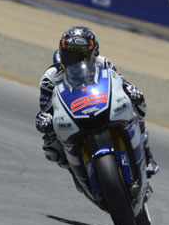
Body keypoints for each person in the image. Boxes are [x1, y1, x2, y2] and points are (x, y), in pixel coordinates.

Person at [35, 26, 159, 178]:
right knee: (51, 149)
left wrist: (131, 91)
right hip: (71, 117)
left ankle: (146, 152)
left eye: (82, 57)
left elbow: (121, 84)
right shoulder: (50, 77)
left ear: (94, 54)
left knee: (138, 103)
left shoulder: (103, 63)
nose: (75, 62)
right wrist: (44, 119)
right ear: (61, 53)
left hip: (100, 106)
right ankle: (79, 175)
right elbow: (46, 109)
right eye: (69, 56)